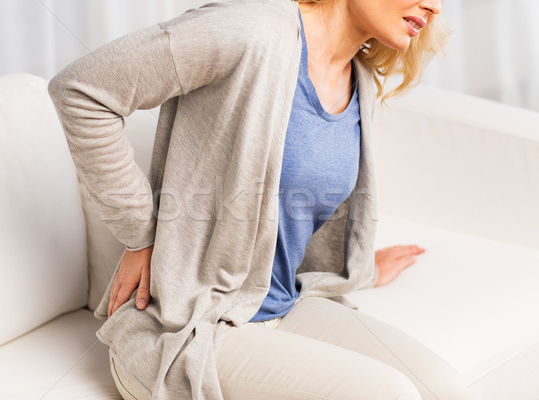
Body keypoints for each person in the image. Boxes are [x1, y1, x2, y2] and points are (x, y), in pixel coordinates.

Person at [48, 0, 469, 399]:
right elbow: (81, 90)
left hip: (282, 305)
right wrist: (139, 234)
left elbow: (290, 216)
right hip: (190, 326)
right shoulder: (248, 30)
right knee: (387, 395)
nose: (434, 6)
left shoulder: (358, 80)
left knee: (441, 386)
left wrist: (360, 265)